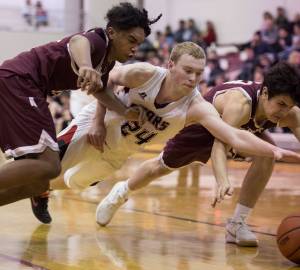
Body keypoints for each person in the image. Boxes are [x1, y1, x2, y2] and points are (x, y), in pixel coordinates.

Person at [30, 42, 300, 225]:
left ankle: (41, 190)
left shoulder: (197, 106)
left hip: (118, 152)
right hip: (96, 126)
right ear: (171, 65)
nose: (193, 79)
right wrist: (100, 120)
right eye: (188, 70)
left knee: (71, 182)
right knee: (47, 164)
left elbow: (233, 135)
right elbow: (107, 79)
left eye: (199, 73)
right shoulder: (145, 74)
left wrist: (272, 149)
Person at [96, 62, 300, 247]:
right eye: (281, 104)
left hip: (240, 129)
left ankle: (237, 223)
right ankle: (121, 191)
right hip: (202, 126)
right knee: (160, 167)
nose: (283, 112)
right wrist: (222, 180)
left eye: (289, 107)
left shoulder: (290, 114)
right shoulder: (240, 104)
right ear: (265, 93)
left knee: (269, 154)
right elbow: (220, 145)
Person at [0, 2, 161, 218]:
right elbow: (78, 41)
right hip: (20, 82)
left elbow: (101, 92)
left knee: (37, 183)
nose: (134, 48)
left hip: (19, 85)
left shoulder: (107, 64)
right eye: (131, 40)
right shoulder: (98, 40)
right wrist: (85, 65)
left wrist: (125, 112)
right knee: (50, 167)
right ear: (112, 32)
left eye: (139, 44)